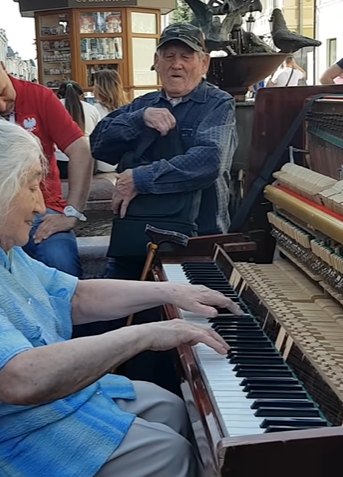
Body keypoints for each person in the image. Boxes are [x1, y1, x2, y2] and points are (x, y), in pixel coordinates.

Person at [0, 114, 236, 477]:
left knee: (169, 407)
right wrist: (146, 334)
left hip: (13, 419)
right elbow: (16, 379)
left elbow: (74, 296)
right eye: (31, 185)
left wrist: (171, 292)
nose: (38, 205)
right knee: (167, 453)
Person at [88, 23, 237, 393]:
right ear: (156, 63)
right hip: (137, 241)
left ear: (203, 63)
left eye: (186, 56)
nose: (177, 64)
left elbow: (210, 161)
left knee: (194, 330)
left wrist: (140, 178)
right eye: (168, 56)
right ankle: (126, 393)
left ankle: (188, 400)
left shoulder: (218, 104)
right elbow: (99, 145)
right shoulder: (142, 105)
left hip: (195, 241)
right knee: (116, 320)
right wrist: (138, 119)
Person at [0, 49, 94, 278]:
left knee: (60, 262)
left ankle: (66, 312)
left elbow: (81, 150)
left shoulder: (39, 96)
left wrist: (71, 213)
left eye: (2, 93)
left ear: (3, 68)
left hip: (41, 209)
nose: (2, 106)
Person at [55, 80, 102, 177]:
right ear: (81, 95)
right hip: (87, 164)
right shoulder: (92, 109)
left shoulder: (53, 106)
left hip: (60, 163)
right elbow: (99, 135)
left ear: (59, 95)